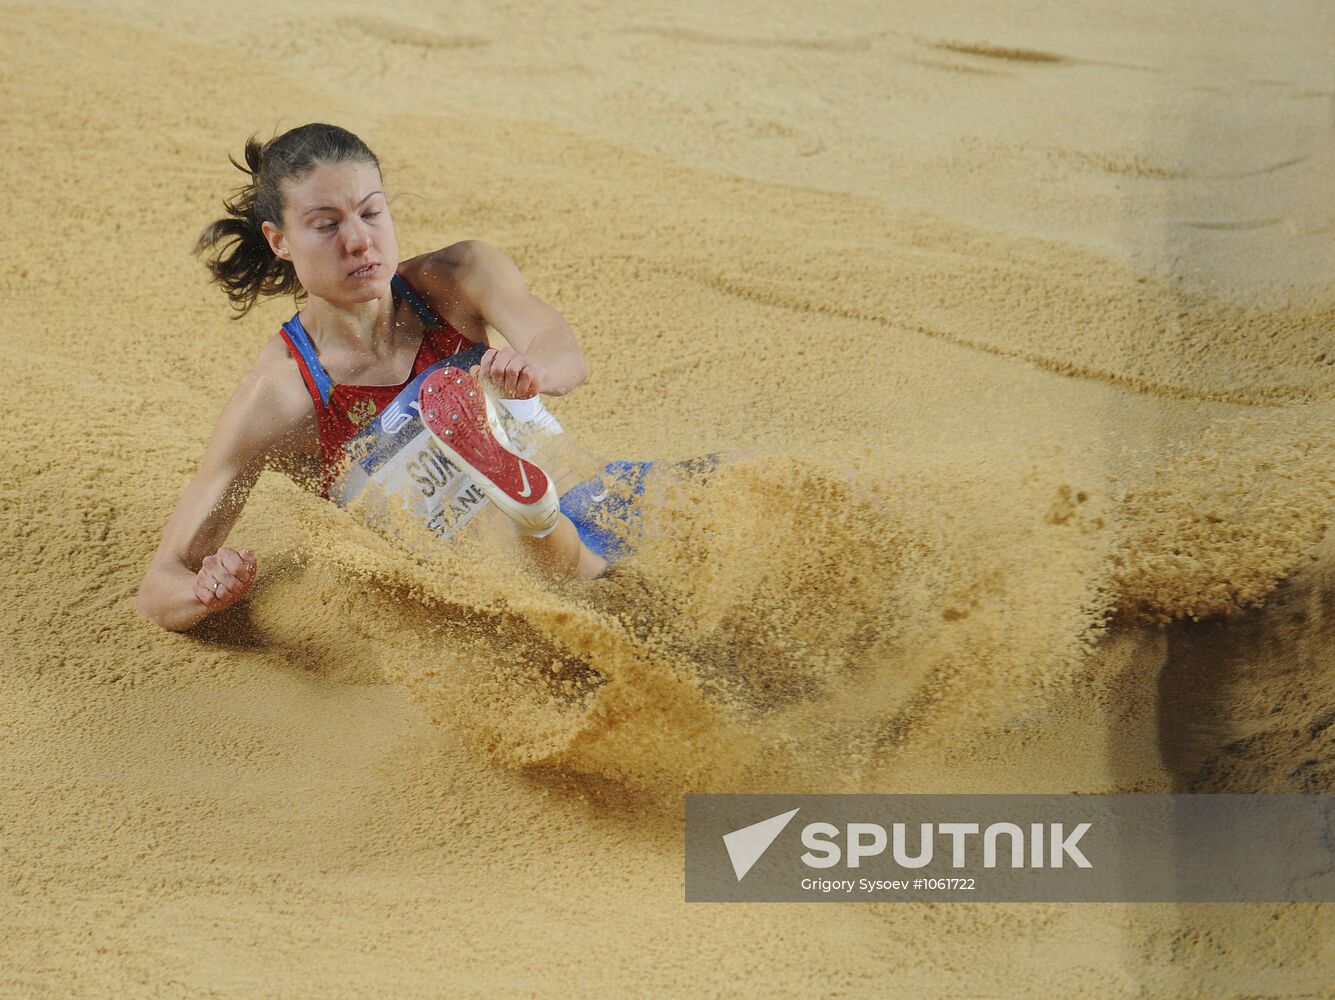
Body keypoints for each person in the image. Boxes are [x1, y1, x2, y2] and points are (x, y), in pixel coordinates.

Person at [136, 123, 613, 632]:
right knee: (575, 580)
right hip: (498, 603)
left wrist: (535, 369)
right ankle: (538, 522)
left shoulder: (457, 277)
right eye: (326, 225)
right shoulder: (280, 396)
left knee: (702, 510)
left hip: (601, 509)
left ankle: (544, 518)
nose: (360, 241)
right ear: (279, 241)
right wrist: (205, 590)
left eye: (370, 212)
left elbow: (562, 352)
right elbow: (160, 587)